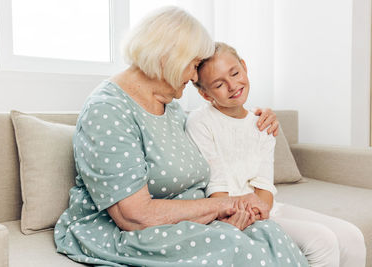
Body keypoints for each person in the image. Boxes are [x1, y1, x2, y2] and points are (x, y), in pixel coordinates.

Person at [54, 7, 309, 266]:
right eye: (195, 64)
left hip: (187, 220)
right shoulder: (107, 110)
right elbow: (135, 217)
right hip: (128, 232)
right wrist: (222, 207)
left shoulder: (171, 107)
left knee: (270, 236)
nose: (195, 76)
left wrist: (258, 119)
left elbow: (219, 131)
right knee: (245, 252)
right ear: (169, 58)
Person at [186, 42, 366, 267]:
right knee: (322, 240)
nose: (233, 85)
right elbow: (217, 190)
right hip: (229, 215)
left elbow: (264, 185)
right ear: (205, 94)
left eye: (235, 73)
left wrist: (260, 210)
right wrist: (248, 214)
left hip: (264, 209)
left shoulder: (263, 123)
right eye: (219, 84)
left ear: (244, 66)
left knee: (351, 235)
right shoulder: (200, 122)